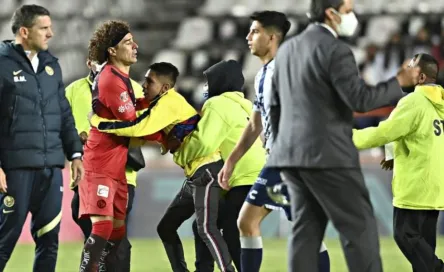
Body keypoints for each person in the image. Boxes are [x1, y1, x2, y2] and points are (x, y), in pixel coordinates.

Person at [264, 0, 421, 271]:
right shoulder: (335, 50)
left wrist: (279, 147)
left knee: (305, 232)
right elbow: (360, 99)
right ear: (331, 14)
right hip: (328, 157)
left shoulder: (287, 48)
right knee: (359, 229)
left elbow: (274, 104)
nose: (352, 16)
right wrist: (399, 82)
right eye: (348, 10)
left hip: (291, 156)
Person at [90, 60, 266, 272]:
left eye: (149, 81)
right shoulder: (244, 106)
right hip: (229, 174)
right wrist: (169, 143)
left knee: (213, 229)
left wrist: (100, 124)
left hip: (216, 172)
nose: (206, 88)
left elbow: (201, 143)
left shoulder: (213, 104)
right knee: (179, 227)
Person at [217, 11, 329, 272]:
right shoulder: (262, 75)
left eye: (254, 31)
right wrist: (231, 161)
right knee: (250, 222)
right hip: (281, 158)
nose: (248, 37)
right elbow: (255, 124)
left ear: (271, 37)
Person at [0, 5, 84, 272]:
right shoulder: (1, 65)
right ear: (24, 32)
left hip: (51, 168)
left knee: (49, 240)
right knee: (4, 241)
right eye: (44, 28)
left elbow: (63, 113)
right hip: (16, 169)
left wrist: (75, 154)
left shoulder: (52, 66)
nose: (51, 33)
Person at [77, 20, 162, 272]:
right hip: (100, 164)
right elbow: (134, 125)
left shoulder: (120, 78)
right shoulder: (110, 80)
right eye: (127, 42)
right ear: (112, 51)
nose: (135, 46)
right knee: (103, 227)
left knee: (116, 231)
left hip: (116, 166)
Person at [352, 53, 444, 272]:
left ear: (421, 76)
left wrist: (347, 137)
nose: (405, 70)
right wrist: (392, 151)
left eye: (411, 67)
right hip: (437, 187)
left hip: (416, 184)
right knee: (424, 249)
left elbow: (384, 132)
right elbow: (419, 134)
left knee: (404, 235)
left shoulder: (413, 101)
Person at [65, 58, 145, 272]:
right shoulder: (73, 90)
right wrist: (76, 140)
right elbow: (60, 125)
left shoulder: (133, 87)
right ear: (89, 62)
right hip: (87, 172)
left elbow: (141, 126)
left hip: (122, 173)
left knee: (110, 234)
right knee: (94, 228)